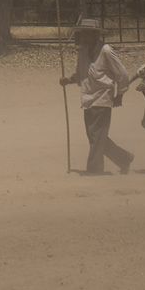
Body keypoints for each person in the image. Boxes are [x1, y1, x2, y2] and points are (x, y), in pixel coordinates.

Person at [58, 17, 134, 174]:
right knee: (95, 136)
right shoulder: (82, 51)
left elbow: (122, 74)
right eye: (83, 33)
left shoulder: (106, 51)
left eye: (87, 33)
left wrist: (119, 94)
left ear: (95, 35)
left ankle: (94, 169)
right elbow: (81, 74)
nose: (83, 36)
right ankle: (123, 158)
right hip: (88, 98)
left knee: (96, 136)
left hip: (103, 97)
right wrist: (68, 80)